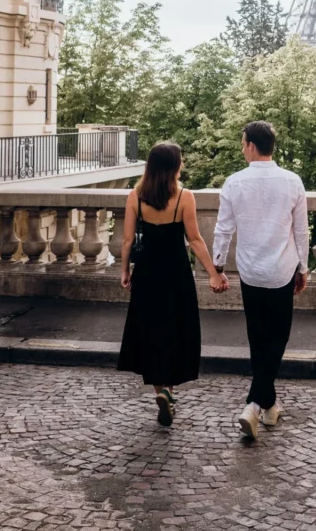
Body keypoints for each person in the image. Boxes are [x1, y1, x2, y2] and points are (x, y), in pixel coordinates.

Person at [118, 141, 228, 426]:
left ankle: (161, 390)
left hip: (146, 272)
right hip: (175, 272)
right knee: (174, 329)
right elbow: (194, 240)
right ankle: (168, 389)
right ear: (175, 166)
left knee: (150, 330)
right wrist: (213, 273)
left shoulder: (135, 196)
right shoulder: (184, 197)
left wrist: (125, 271)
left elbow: (128, 239)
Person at [213, 120, 309, 439]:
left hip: (250, 271)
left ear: (252, 146)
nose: (242, 149)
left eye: (243, 143)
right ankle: (256, 405)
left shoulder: (234, 182)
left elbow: (223, 229)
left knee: (257, 336)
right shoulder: (292, 182)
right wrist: (304, 267)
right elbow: (300, 231)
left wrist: (217, 265)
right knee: (278, 336)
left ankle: (266, 406)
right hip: (282, 269)